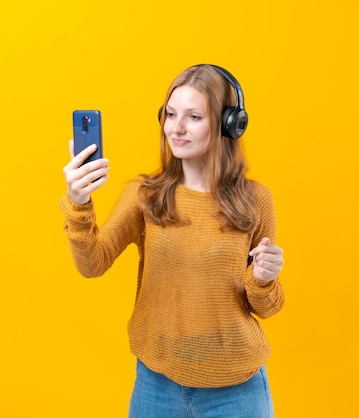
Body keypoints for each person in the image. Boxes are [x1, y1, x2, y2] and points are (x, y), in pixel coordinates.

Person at [60, 64, 285, 418]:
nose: (176, 128)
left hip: (236, 389)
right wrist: (79, 201)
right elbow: (92, 264)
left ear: (229, 124)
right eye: (170, 114)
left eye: (194, 116)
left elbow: (267, 307)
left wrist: (262, 278)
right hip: (157, 385)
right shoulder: (143, 195)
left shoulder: (255, 200)